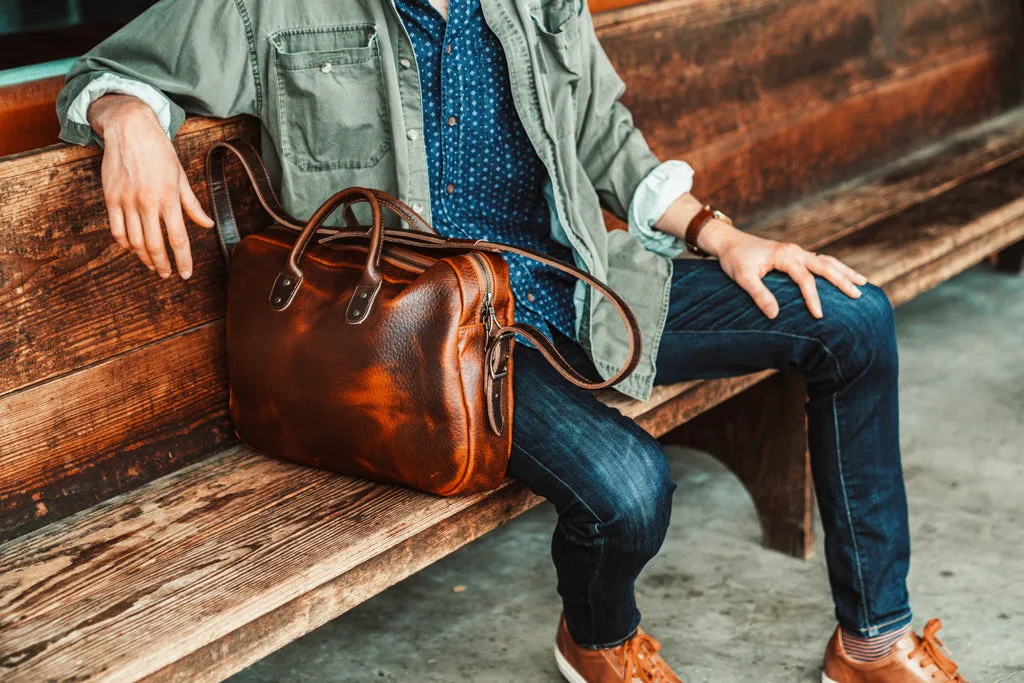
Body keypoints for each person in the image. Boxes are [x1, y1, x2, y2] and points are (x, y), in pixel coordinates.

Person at [55, 0, 970, 680]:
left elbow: (605, 133)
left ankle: (873, 639)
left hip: (576, 285)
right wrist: (126, 116)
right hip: (434, 344)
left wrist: (720, 234)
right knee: (630, 488)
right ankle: (597, 638)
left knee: (849, 317)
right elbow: (107, 71)